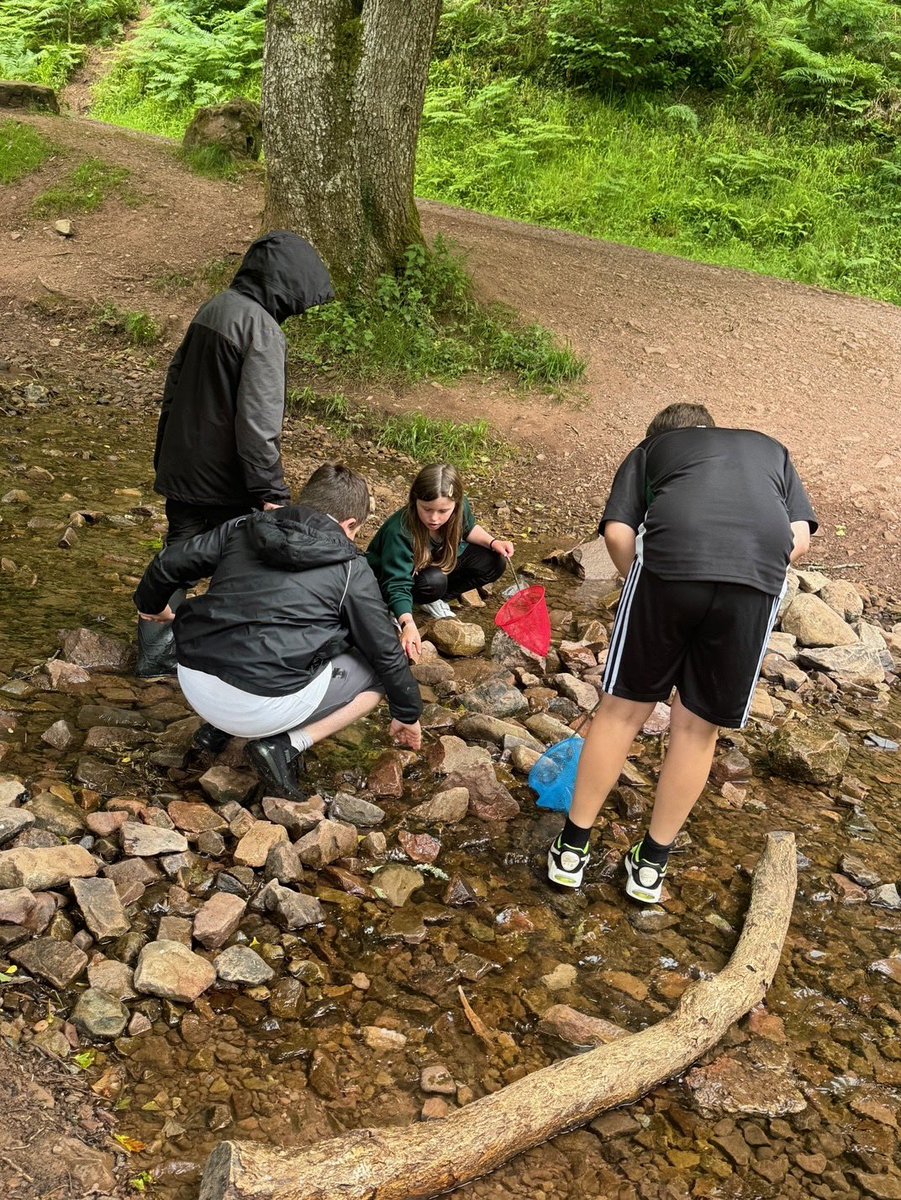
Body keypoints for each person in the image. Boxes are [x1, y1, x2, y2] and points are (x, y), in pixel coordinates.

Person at [547, 402, 818, 902]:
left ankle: (572, 849)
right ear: (709, 431)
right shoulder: (770, 451)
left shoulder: (652, 449)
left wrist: (639, 580)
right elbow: (797, 538)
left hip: (671, 567)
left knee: (621, 713)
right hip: (754, 582)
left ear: (660, 437)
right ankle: (650, 866)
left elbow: (617, 532)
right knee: (696, 729)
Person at [134, 463, 422, 800]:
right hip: (260, 705)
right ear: (350, 524)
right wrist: (407, 714)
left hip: (194, 680)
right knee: (376, 668)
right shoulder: (350, 568)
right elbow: (385, 651)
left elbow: (169, 563)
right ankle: (285, 746)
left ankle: (216, 732)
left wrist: (152, 605)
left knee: (262, 635)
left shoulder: (245, 526)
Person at [136, 230, 335, 683]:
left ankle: (154, 658)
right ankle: (244, 661)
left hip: (182, 465)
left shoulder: (215, 307)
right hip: (226, 479)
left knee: (178, 560)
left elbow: (173, 384)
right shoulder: (262, 331)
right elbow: (258, 425)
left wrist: (164, 453)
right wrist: (271, 492)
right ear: (287, 285)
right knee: (252, 563)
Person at [366, 463, 514, 662]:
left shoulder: (460, 508)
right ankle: (400, 607)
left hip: (429, 565)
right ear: (414, 501)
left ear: (456, 504)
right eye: (426, 509)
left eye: (443, 511)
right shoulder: (399, 531)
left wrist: (494, 542)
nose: (434, 518)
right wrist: (408, 623)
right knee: (433, 582)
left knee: (494, 562)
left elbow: (468, 530)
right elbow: (397, 582)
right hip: (388, 579)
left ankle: (433, 599)